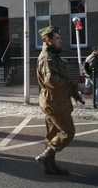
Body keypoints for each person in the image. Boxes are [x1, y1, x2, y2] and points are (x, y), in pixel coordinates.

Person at [35, 26, 84, 175]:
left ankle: (50, 164)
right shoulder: (47, 57)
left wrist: (76, 94)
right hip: (54, 101)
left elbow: (60, 79)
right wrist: (75, 85)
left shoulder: (53, 56)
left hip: (55, 100)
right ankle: (46, 156)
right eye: (57, 38)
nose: (60, 40)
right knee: (68, 132)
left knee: (52, 134)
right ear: (48, 40)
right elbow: (52, 80)